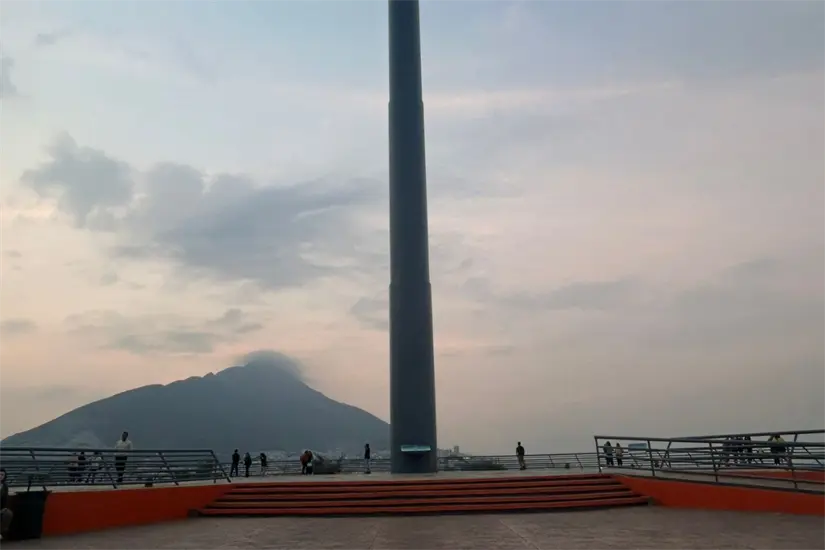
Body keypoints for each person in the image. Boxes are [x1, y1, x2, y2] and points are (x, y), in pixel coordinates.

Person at [0, 468, 13, 541]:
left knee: (8, 513)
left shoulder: (5, 486)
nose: (0, 476)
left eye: (2, 475)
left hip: (0, 507)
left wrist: (3, 508)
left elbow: (5, 499)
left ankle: (1, 531)